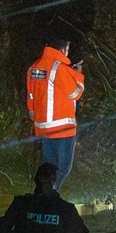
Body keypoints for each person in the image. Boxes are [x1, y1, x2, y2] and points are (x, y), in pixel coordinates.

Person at [24, 38, 85, 191]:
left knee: (48, 167)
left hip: (43, 127)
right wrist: (78, 75)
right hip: (62, 128)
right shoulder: (59, 68)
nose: (67, 53)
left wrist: (34, 118)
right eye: (67, 49)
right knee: (63, 167)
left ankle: (40, 195)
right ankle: (50, 196)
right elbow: (75, 93)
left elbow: (30, 96)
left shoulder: (34, 67)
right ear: (62, 50)